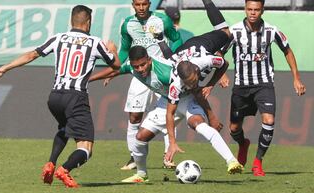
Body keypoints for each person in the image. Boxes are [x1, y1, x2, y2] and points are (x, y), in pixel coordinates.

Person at [0, 5, 121, 188]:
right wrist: (113, 50)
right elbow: (116, 66)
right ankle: (65, 169)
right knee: (86, 147)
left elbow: (32, 55)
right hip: (76, 97)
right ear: (88, 23)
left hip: (55, 97)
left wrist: (4, 68)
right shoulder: (95, 43)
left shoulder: (58, 38)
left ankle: (50, 162)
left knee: (64, 128)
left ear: (71, 21)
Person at [192, 0, 306, 176]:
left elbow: (287, 51)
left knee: (269, 121)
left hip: (264, 84)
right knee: (234, 129)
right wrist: (221, 76)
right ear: (245, 9)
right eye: (249, 9)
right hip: (241, 85)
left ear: (262, 10)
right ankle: (242, 144)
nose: (253, 13)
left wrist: (296, 77)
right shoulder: (235, 31)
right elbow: (219, 54)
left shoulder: (271, 31)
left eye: (257, 10)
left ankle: (258, 162)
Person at [90, 43, 243, 182]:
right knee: (140, 137)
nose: (140, 69)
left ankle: (232, 161)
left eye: (143, 65)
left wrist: (211, 117)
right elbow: (116, 69)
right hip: (166, 101)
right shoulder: (131, 67)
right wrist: (89, 79)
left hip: (187, 98)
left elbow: (184, 101)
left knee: (199, 126)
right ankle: (141, 175)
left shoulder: (166, 74)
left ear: (149, 60)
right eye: (137, 67)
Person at [113, 0, 182, 170]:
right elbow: (125, 49)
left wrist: (174, 59)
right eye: (138, 4)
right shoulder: (127, 24)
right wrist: (115, 69)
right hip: (140, 73)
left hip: (162, 72)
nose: (141, 7)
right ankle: (134, 157)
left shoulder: (162, 20)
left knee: (170, 113)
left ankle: (168, 156)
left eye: (144, 4)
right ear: (133, 5)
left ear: (149, 4)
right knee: (134, 116)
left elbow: (176, 39)